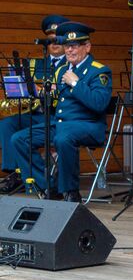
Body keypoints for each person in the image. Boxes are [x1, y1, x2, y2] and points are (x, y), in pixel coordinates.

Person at [10, 21, 112, 201]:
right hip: (61, 124)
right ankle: (48, 186)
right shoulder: (62, 69)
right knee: (20, 139)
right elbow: (57, 99)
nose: (69, 51)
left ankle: (70, 192)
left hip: (88, 126)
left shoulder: (99, 71)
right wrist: (40, 93)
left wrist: (76, 83)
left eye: (74, 46)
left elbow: (99, 103)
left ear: (87, 47)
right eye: (67, 46)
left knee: (63, 138)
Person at [0, 15, 69, 193]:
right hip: (37, 115)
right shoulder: (33, 63)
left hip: (57, 116)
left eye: (58, 39)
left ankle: (35, 179)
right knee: (8, 123)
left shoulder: (72, 64)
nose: (53, 43)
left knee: (22, 135)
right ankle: (17, 173)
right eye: (50, 39)